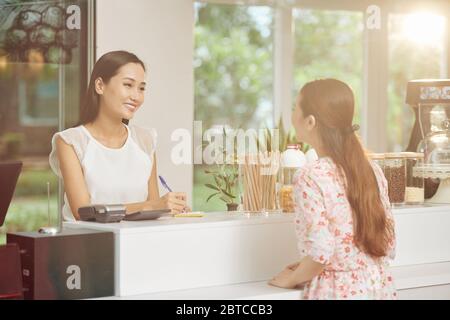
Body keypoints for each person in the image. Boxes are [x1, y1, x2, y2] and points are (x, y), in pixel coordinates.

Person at [269, 79, 397, 299]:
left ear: (310, 121)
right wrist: (304, 266)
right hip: (379, 286)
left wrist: (291, 278)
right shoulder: (372, 170)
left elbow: (321, 252)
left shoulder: (310, 176)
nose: (292, 115)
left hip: (338, 291)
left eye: (294, 108)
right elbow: (388, 243)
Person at [49, 50, 188, 221]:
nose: (136, 96)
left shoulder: (145, 139)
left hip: (136, 242)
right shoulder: (71, 141)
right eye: (128, 85)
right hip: (89, 244)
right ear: (100, 85)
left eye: (141, 88)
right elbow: (82, 212)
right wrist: (150, 205)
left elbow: (152, 210)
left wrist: (169, 208)